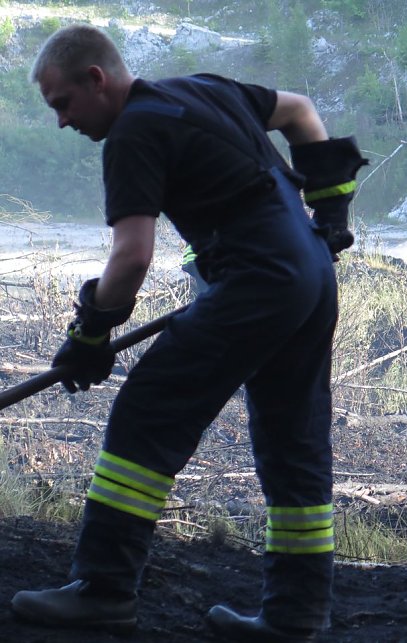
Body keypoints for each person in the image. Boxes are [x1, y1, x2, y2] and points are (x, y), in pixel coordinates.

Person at [12, 24, 367, 642]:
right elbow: (302, 112)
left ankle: (103, 589)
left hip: (257, 280)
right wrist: (331, 210)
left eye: (63, 104)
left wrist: (90, 332)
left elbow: (132, 258)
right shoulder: (206, 89)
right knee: (294, 441)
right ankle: (295, 615)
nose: (62, 122)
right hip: (311, 277)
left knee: (149, 413)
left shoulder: (132, 133)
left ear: (96, 79)